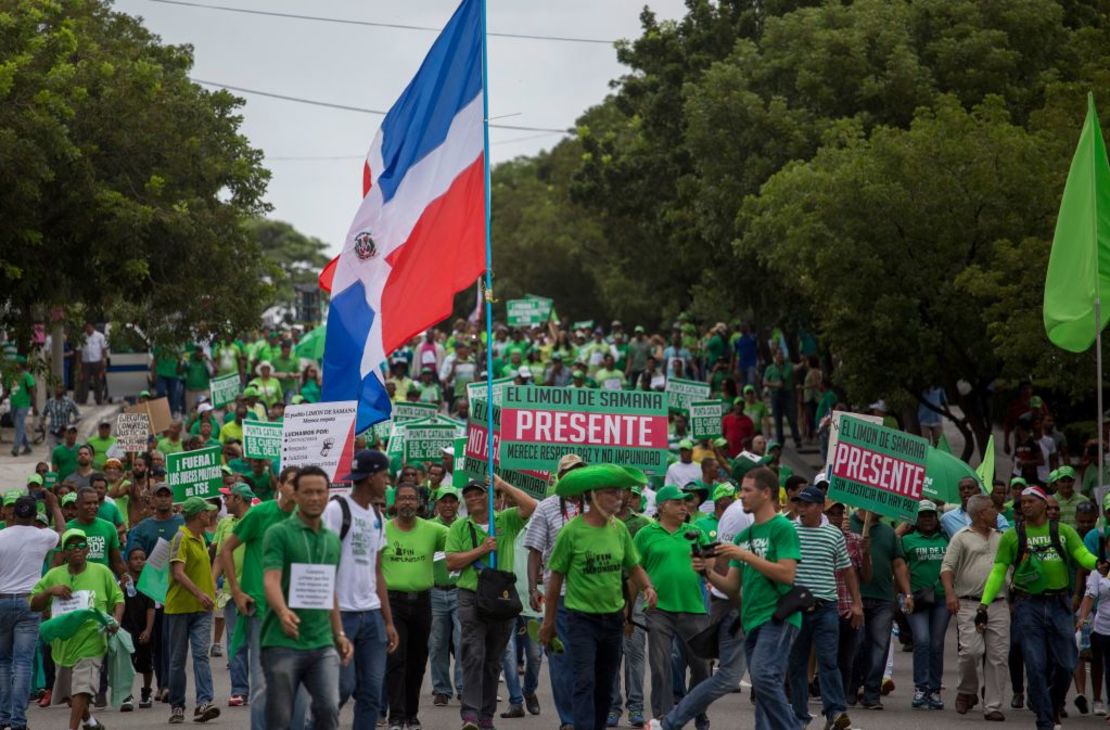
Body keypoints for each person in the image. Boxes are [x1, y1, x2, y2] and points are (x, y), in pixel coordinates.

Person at [539, 465, 658, 730]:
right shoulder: (572, 532)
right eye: (610, 493)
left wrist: (648, 587)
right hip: (581, 619)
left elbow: (634, 566)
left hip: (613, 619)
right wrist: (549, 622)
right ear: (593, 496)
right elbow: (555, 576)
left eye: (619, 493)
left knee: (605, 685)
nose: (618, 498)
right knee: (584, 681)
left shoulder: (619, 530)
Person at [979, 485, 1101, 730]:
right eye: (1022, 503)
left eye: (1030, 502)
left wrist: (1098, 563)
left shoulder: (1063, 532)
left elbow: (1081, 555)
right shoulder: (1013, 536)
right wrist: (984, 604)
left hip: (1059, 605)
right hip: (1028, 606)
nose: (1025, 506)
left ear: (1045, 504)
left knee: (1067, 664)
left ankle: (1053, 704)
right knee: (1035, 665)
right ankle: (1045, 721)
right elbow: (999, 570)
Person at [692, 466, 800, 730]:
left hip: (777, 615)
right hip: (750, 618)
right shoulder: (744, 535)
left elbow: (787, 574)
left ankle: (670, 721)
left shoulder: (782, 528)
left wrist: (746, 556)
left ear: (766, 493)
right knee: (763, 685)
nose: (741, 496)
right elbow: (731, 586)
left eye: (747, 490)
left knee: (762, 678)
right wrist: (708, 573)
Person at [261, 465, 354, 730]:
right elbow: (271, 580)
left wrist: (339, 634)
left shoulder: (332, 540)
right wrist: (282, 611)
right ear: (296, 495)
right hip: (281, 641)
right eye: (308, 492)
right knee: (280, 719)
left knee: (328, 709)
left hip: (321, 643)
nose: (315, 498)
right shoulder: (278, 533)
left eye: (320, 492)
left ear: (328, 495)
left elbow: (329, 591)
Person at [445, 475, 537, 730]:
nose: (473, 497)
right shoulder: (459, 528)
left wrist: (502, 484)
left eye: (479, 492)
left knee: (493, 660)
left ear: (490, 496)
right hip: (470, 596)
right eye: (469, 494)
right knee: (473, 654)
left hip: (501, 598)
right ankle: (470, 715)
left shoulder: (505, 521)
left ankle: (486, 716)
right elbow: (452, 562)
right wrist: (482, 550)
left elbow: (531, 507)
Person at [219, 466, 300, 730]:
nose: (296, 489)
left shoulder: (306, 518)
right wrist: (237, 590)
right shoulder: (259, 514)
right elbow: (227, 550)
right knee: (263, 684)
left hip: (295, 612)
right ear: (279, 484)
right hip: (260, 611)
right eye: (291, 483)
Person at [325, 450, 399, 730]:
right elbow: (324, 567)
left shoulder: (376, 516)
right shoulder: (336, 511)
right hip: (341, 615)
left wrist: (388, 621)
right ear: (370, 478)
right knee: (342, 688)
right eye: (384, 475)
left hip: (372, 617)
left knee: (371, 693)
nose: (387, 481)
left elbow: (377, 570)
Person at [631, 485, 710, 727]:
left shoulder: (696, 532)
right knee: (660, 666)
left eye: (686, 503)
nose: (684, 507)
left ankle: (697, 710)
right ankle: (664, 719)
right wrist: (628, 609)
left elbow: (713, 565)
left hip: (694, 608)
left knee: (702, 667)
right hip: (659, 610)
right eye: (678, 503)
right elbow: (635, 568)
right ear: (663, 506)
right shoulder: (646, 534)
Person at [31, 528, 124, 730]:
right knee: (71, 695)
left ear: (88, 549)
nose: (77, 549)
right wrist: (49, 591)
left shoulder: (102, 571)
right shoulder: (53, 575)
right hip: (62, 646)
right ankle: (90, 722)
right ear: (63, 552)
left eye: (81, 545)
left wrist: (116, 621)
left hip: (92, 640)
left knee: (81, 689)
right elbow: (33, 604)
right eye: (71, 546)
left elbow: (119, 599)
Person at [787, 486, 858, 730]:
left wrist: (857, 603)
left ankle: (835, 713)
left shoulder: (833, 535)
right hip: (796, 607)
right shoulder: (789, 531)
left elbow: (847, 570)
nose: (802, 509)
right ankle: (799, 716)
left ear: (819, 508)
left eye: (807, 505)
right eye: (799, 504)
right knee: (796, 664)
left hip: (826, 607)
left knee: (828, 661)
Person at [524, 454, 585, 729]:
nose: (575, 476)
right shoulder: (546, 507)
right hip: (557, 595)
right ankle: (569, 719)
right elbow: (535, 550)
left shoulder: (595, 505)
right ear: (560, 477)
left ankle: (586, 715)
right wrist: (532, 588)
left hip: (591, 595)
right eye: (570, 472)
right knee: (560, 657)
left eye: (580, 471)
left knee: (587, 658)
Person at [381, 482, 448, 730]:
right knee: (396, 661)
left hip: (422, 603)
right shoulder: (383, 530)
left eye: (412, 498)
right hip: (392, 604)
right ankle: (396, 717)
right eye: (403, 498)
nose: (407, 502)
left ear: (420, 503)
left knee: (418, 662)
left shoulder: (434, 530)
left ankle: (411, 715)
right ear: (395, 503)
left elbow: (458, 540)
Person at [940, 493, 1008, 720]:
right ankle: (967, 690)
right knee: (970, 651)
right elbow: (947, 567)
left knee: (997, 656)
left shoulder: (1002, 538)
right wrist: (950, 594)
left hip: (998, 603)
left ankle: (993, 706)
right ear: (980, 514)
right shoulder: (961, 537)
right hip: (969, 603)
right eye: (992, 509)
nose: (996, 512)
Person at [0, 494, 63, 730]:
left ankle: (3, 717)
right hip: (30, 602)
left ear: (13, 514)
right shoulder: (42, 536)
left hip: (2, 601)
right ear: (35, 516)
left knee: (3, 663)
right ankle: (18, 721)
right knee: (23, 662)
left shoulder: (1, 536)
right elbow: (62, 532)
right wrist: (55, 505)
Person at [850, 507, 912, 710]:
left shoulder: (888, 533)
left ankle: (872, 694)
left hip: (883, 599)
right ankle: (850, 690)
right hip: (855, 597)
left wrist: (907, 593)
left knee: (879, 646)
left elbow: (899, 564)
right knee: (855, 646)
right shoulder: (847, 526)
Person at [165, 496, 220, 724]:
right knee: (177, 659)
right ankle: (177, 706)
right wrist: (199, 593)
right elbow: (178, 572)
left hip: (202, 609)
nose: (211, 515)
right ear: (200, 515)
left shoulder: (202, 538)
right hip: (180, 608)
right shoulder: (181, 537)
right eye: (208, 512)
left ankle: (204, 702)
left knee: (200, 655)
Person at [901, 500, 950, 710]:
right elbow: (899, 568)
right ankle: (921, 687)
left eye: (931, 515)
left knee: (937, 644)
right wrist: (906, 594)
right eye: (923, 515)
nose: (927, 519)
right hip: (916, 599)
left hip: (941, 599)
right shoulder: (907, 540)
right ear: (916, 519)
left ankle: (935, 689)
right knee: (922, 640)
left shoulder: (947, 538)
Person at [212, 482, 255, 706]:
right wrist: (211, 583)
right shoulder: (225, 523)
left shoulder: (258, 519)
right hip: (231, 593)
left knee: (258, 642)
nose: (224, 502)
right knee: (235, 642)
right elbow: (220, 556)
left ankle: (261, 688)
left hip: (257, 592)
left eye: (228, 498)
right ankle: (239, 689)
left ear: (239, 499)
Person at [429, 486, 464, 707]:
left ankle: (462, 688)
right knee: (437, 643)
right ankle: (441, 688)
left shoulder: (464, 526)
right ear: (437, 503)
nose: (448, 505)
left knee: (463, 642)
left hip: (461, 591)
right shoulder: (430, 528)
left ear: (458, 504)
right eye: (444, 501)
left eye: (452, 501)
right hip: (435, 592)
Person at [120, 546, 157, 711]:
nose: (139, 561)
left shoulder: (148, 582)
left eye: (142, 558)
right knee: (127, 663)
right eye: (135, 558)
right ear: (128, 562)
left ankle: (146, 692)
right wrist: (121, 586)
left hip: (144, 629)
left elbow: (151, 608)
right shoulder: (123, 582)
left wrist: (148, 630)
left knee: (146, 663)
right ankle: (126, 694)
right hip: (127, 628)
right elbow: (118, 603)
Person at [61, 488, 124, 577]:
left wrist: (127, 582)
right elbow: (58, 563)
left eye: (95, 503)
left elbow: (118, 562)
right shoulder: (66, 528)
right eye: (88, 503)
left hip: (101, 582)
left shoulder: (109, 527)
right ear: (77, 504)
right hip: (75, 582)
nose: (93, 506)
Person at [763, 349, 801, 449]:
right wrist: (775, 384)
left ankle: (797, 439)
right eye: (779, 354)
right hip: (775, 394)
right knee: (777, 419)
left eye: (782, 354)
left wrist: (803, 362)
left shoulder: (788, 365)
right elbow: (765, 382)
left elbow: (796, 368)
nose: (781, 356)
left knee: (792, 417)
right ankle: (780, 440)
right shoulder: (770, 368)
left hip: (787, 393)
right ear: (775, 356)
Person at [76, 322, 109, 406]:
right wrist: (79, 363)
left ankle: (99, 400)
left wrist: (104, 360)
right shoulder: (82, 337)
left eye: (89, 327)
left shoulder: (100, 336)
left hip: (97, 362)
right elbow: (79, 351)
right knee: (84, 382)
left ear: (93, 327)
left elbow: (103, 349)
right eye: (86, 327)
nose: (88, 329)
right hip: (85, 362)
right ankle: (83, 401)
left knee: (98, 381)